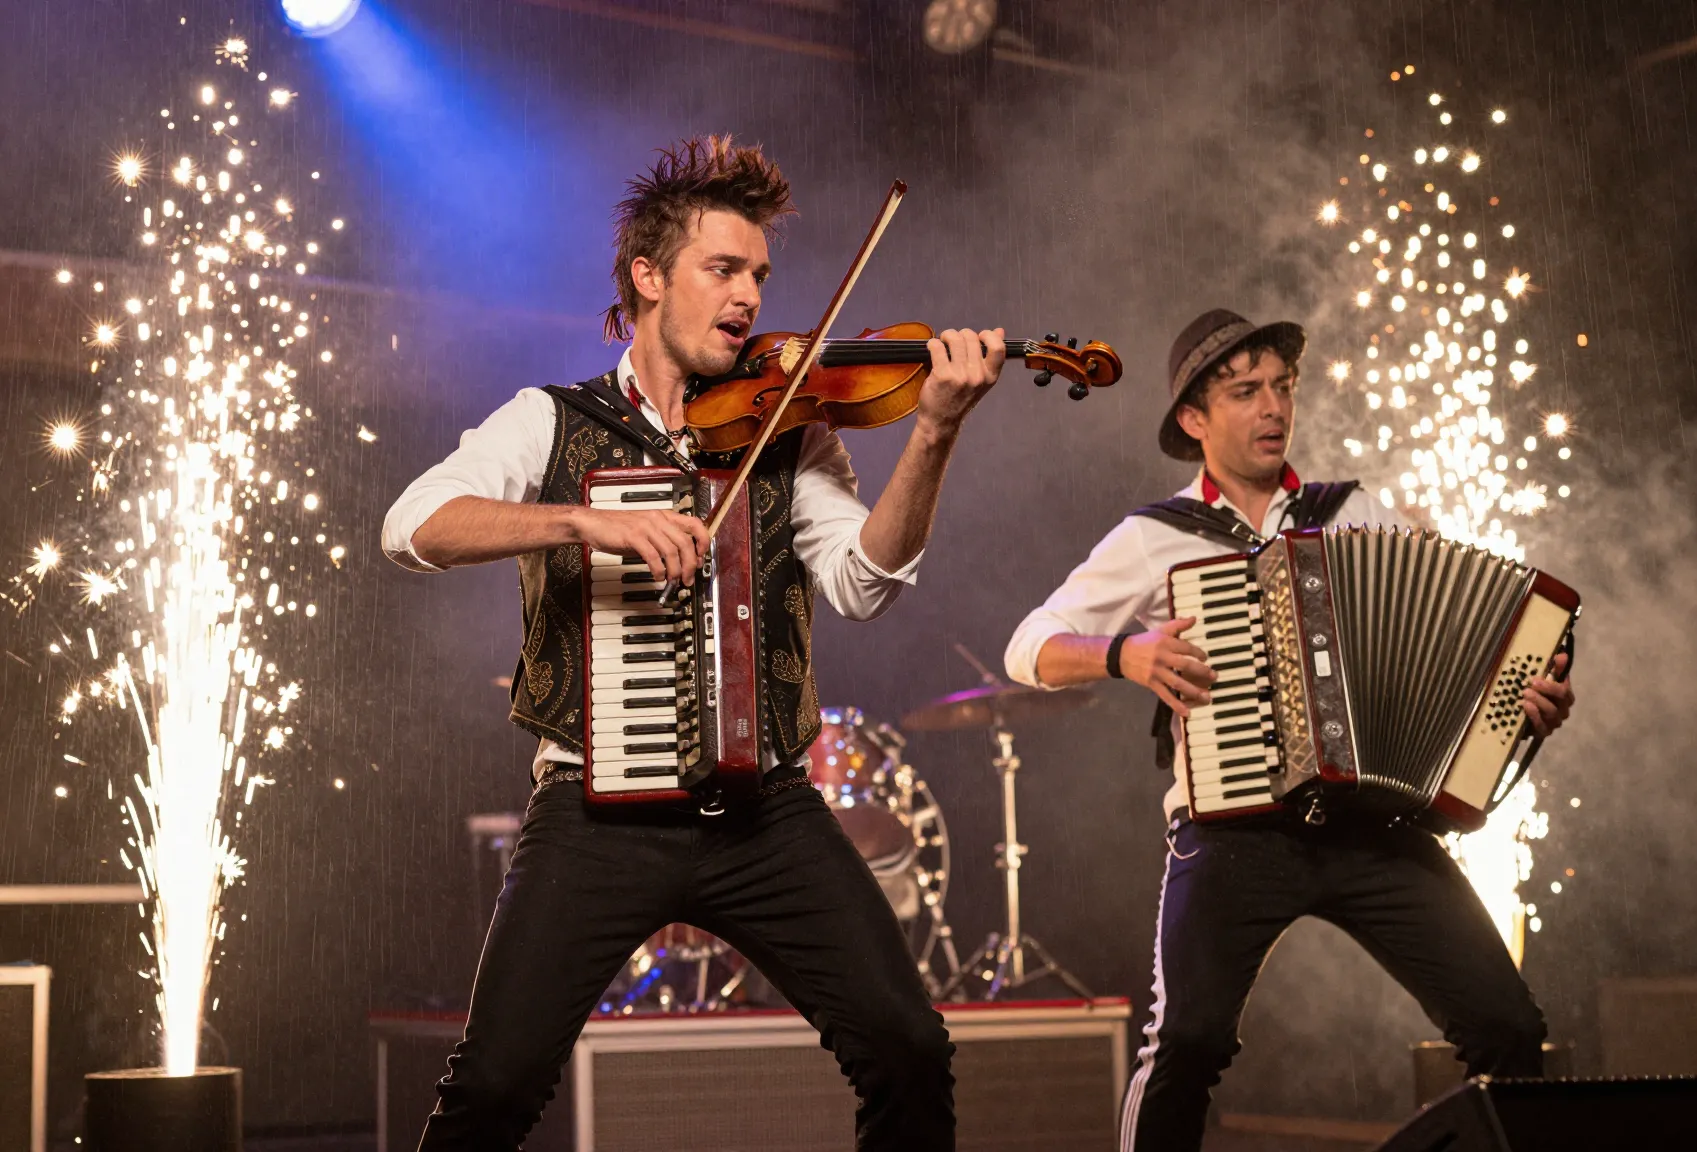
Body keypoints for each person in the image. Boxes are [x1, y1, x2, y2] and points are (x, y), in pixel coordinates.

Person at [382, 135, 1007, 1150]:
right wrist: (580, 521)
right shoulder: (550, 421)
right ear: (648, 276)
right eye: (723, 269)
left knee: (907, 1048)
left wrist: (933, 433)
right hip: (593, 814)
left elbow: (863, 585)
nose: (750, 296)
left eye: (759, 274)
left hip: (766, 813)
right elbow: (411, 526)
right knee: (493, 1087)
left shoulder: (793, 430)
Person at [1003, 309, 1577, 1150]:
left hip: (1372, 823)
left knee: (1509, 1027)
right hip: (1235, 828)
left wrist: (1521, 696)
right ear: (1194, 420)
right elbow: (1028, 647)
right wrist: (1125, 654)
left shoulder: (1353, 510)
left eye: (1282, 387)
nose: (1273, 407)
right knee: (1188, 1042)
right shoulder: (1155, 537)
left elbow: (1458, 638)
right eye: (1245, 392)